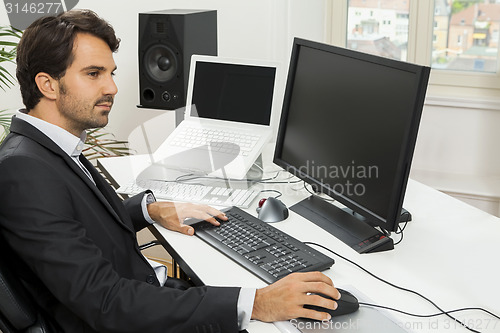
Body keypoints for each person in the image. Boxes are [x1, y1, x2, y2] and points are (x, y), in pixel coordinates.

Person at [0, 9, 340, 333]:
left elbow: (79, 221)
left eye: (111, 73)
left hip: (144, 296)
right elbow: (107, 303)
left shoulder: (49, 146)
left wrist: (149, 209)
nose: (112, 88)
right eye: (93, 74)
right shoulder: (25, 171)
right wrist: (255, 303)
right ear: (47, 85)